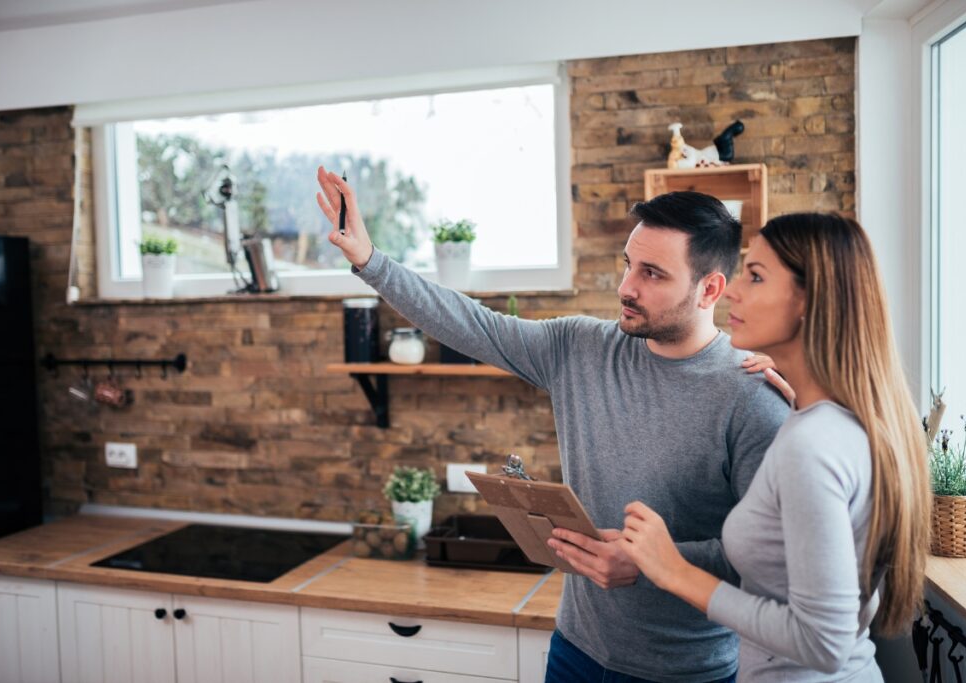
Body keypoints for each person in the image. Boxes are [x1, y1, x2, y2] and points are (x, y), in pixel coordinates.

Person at [316, 166, 790, 683]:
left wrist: (654, 561)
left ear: (710, 289)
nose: (625, 287)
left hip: (686, 672)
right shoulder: (579, 347)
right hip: (575, 652)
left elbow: (772, 555)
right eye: (628, 265)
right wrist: (369, 259)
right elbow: (472, 324)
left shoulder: (752, 397)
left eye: (652, 274)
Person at [619, 213, 931, 682]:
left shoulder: (813, 445)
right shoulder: (836, 421)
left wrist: (673, 571)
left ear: (811, 300)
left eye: (756, 276)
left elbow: (823, 642)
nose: (732, 291)